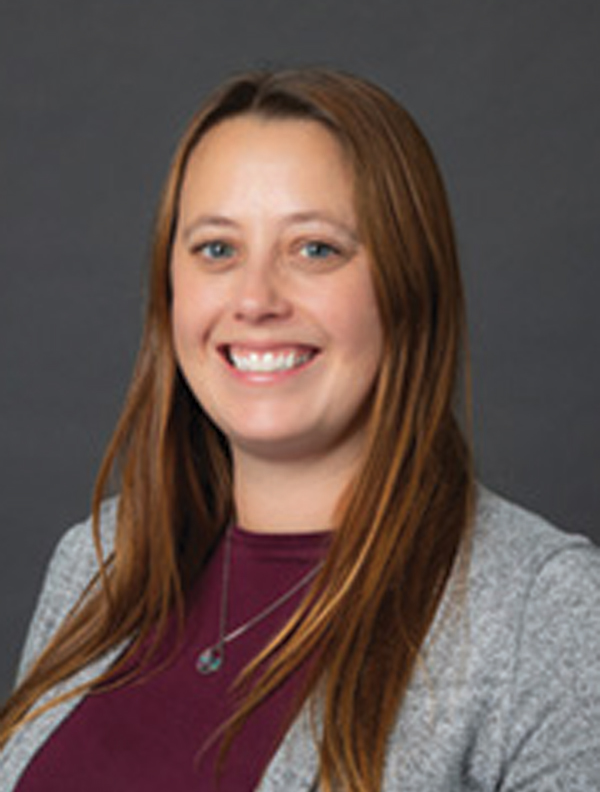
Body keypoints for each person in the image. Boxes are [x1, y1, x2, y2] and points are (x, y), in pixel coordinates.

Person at [1, 67, 599, 792]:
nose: (255, 299)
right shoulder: (100, 563)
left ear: (409, 284)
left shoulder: (544, 613)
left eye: (315, 248)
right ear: (169, 288)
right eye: (217, 249)